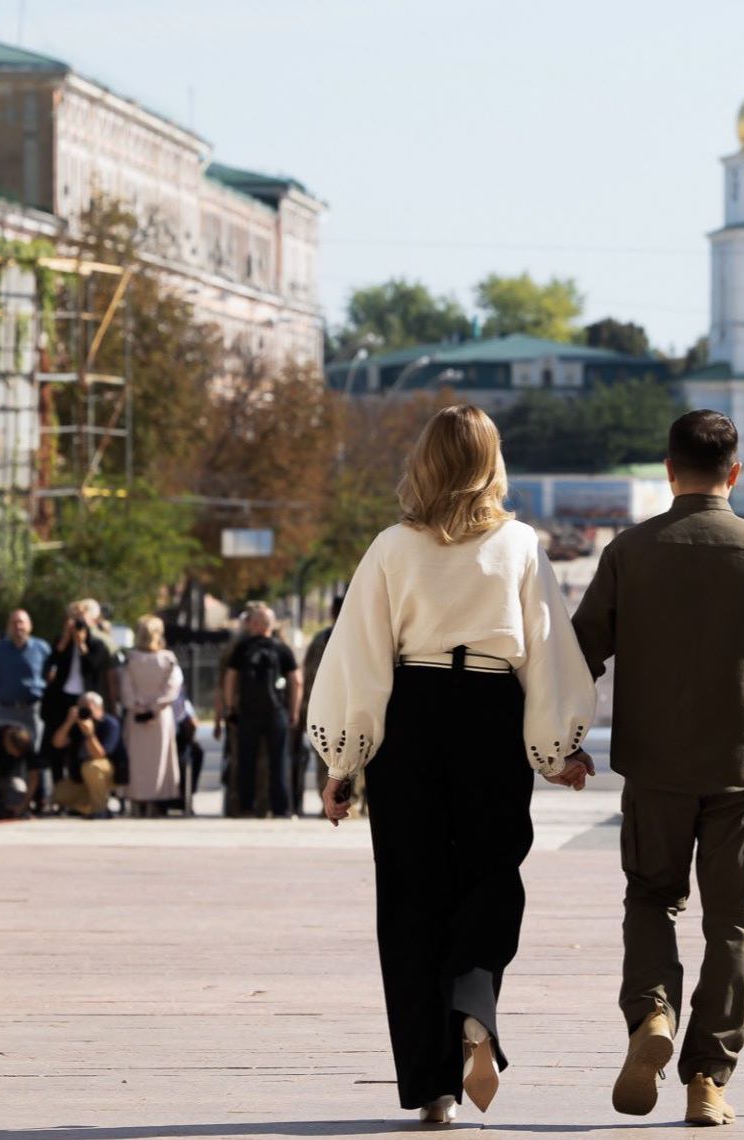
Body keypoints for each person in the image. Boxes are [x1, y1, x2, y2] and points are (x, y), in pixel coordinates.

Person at [309, 405, 597, 1125]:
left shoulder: (391, 548)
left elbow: (359, 659)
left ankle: (433, 1090)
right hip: (490, 715)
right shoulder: (521, 545)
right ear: (491, 464)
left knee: (409, 899)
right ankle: (474, 1003)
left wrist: (342, 762)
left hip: (412, 714)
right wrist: (558, 751)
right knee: (493, 872)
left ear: (425, 462)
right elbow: (547, 653)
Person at [571, 410, 744, 1127]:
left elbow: (580, 654)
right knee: (732, 927)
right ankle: (707, 1080)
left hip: (654, 766)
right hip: (742, 769)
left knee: (652, 897)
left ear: (668, 469)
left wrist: (561, 739)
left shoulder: (630, 551)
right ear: (735, 474)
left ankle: (651, 1012)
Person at [223, 606, 301, 818]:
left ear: (253, 624)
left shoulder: (242, 648)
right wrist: (293, 710)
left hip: (248, 712)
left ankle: (246, 807)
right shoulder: (282, 648)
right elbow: (296, 681)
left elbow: (230, 679)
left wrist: (230, 707)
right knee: (279, 761)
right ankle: (281, 809)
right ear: (271, 625)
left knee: (246, 761)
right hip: (276, 711)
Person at [40, 600, 116, 793]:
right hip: (61, 701)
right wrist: (65, 640)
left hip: (85, 700)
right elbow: (50, 666)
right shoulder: (61, 642)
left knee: (79, 745)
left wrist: (81, 644)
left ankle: (81, 790)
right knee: (56, 745)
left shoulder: (97, 645)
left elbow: (92, 668)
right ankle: (58, 789)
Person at [120, 615, 184, 816]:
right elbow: (172, 688)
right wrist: (155, 706)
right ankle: (154, 801)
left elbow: (126, 689)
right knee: (154, 760)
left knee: (139, 759)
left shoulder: (133, 660)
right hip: (159, 716)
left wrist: (139, 706)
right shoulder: (166, 659)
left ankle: (139, 801)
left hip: (139, 715)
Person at [298, 594, 343, 814]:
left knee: (331, 756)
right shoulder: (324, 640)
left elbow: (308, 677)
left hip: (334, 709)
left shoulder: (322, 639)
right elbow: (308, 677)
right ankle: (338, 803)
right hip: (335, 710)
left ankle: (336, 802)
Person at [50, 691, 121, 819]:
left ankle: (101, 809)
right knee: (59, 794)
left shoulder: (109, 723)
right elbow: (57, 743)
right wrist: (69, 722)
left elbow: (100, 755)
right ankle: (85, 806)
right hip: (82, 777)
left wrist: (89, 734)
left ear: (99, 707)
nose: (85, 711)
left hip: (106, 771)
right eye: (81, 707)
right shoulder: (76, 725)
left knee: (91, 767)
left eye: (88, 707)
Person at [0, 609, 51, 741]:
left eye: (21, 622)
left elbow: (50, 675)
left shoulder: (42, 648)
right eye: (14, 623)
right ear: (8, 626)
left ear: (30, 625)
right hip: (5, 709)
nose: (18, 626)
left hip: (33, 710)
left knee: (33, 752)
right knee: (3, 751)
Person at [0, 722, 34, 819]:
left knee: (18, 792)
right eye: (14, 751)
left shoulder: (26, 742)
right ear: (7, 741)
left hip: (9, 778)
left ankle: (5, 807)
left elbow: (34, 774)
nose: (16, 755)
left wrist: (24, 805)